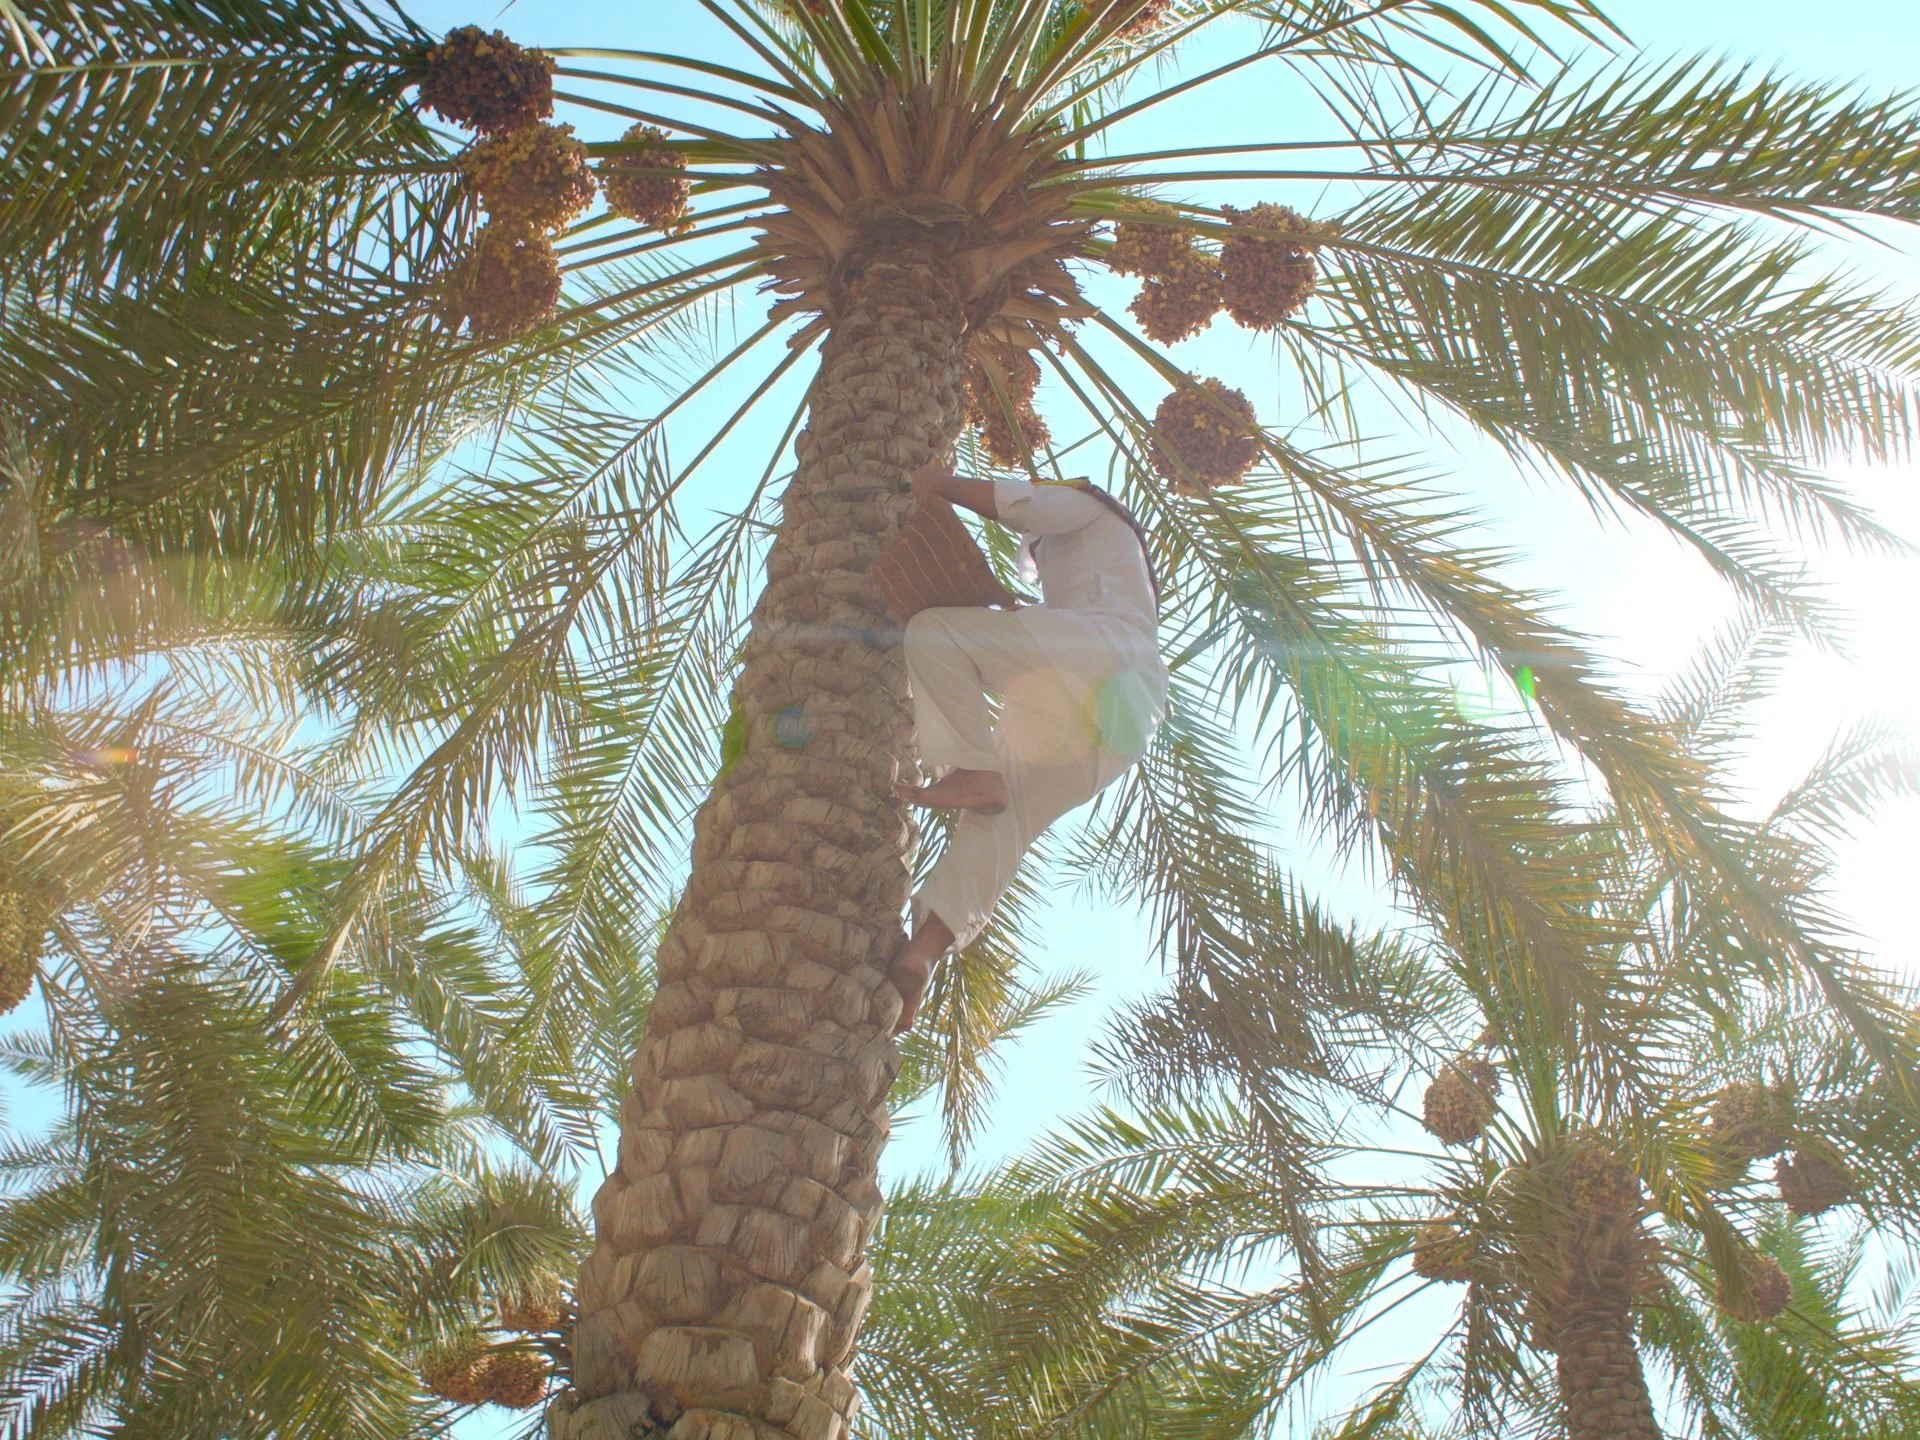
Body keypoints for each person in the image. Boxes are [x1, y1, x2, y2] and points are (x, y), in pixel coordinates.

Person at [886, 460, 1169, 1033]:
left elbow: (1018, 503)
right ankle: (923, 954)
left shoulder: (1089, 502)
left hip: (1099, 655)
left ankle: (969, 768)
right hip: (1128, 716)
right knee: (1001, 826)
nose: (1038, 558)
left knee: (935, 633)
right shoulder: (1119, 582)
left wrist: (938, 484)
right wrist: (1025, 617)